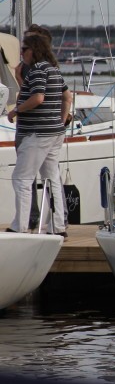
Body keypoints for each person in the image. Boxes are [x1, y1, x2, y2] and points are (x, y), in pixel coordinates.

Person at [7, 35, 68, 237]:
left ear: (34, 50)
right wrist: (60, 119)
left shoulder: (38, 70)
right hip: (54, 132)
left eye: (24, 49)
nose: (21, 52)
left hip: (37, 133)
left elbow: (38, 97)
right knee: (52, 179)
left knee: (21, 178)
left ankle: (20, 226)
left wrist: (16, 111)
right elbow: (66, 96)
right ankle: (58, 225)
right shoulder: (53, 70)